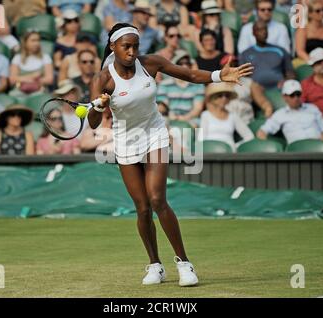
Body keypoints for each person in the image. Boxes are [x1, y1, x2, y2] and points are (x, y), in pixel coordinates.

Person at [89, 23, 253, 286]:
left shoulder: (150, 63)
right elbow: (94, 123)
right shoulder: (102, 79)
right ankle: (155, 265)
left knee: (157, 199)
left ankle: (184, 263)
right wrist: (98, 105)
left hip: (154, 134)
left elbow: (188, 74)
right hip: (125, 142)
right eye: (125, 47)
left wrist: (219, 76)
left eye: (135, 46)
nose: (131, 52)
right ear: (112, 47)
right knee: (142, 209)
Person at [240, 21, 295, 118]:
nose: (263, 32)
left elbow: (290, 72)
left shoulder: (280, 50)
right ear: (253, 33)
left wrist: (286, 81)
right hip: (256, 91)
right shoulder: (245, 54)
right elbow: (243, 77)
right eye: (259, 30)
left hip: (279, 89)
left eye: (265, 29)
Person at [257, 80, 323, 144]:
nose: (296, 98)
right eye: (292, 95)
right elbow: (262, 132)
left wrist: (321, 144)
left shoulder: (312, 108)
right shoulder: (280, 114)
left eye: (298, 94)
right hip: (296, 154)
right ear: (284, 97)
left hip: (317, 147)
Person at [200, 82, 254, 151]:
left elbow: (249, 136)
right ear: (213, 98)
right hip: (209, 154)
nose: (224, 98)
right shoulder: (205, 115)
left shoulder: (233, 115)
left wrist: (235, 147)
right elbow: (201, 139)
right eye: (220, 96)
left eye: (227, 96)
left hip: (228, 156)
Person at [156, 50, 205, 126]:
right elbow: (162, 107)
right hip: (169, 119)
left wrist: (183, 118)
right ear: (174, 66)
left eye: (187, 63)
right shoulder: (164, 84)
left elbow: (197, 109)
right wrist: (172, 117)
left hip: (191, 120)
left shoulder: (198, 85)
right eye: (180, 63)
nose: (184, 66)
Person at [9, 31, 54, 101]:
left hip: (39, 91)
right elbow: (12, 79)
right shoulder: (17, 58)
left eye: (38, 40)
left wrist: (32, 81)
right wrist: (33, 76)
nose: (36, 43)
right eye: (33, 40)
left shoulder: (45, 57)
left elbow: (49, 79)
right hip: (20, 91)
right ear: (25, 42)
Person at [295, 0, 323, 68]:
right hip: (306, 61)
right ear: (310, 14)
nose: (322, 13)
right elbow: (300, 51)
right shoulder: (303, 30)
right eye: (318, 11)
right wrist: (312, 62)